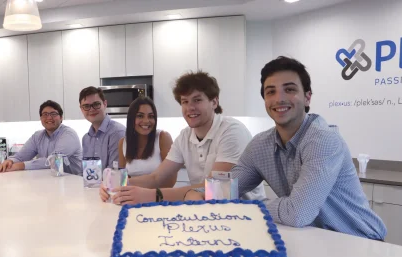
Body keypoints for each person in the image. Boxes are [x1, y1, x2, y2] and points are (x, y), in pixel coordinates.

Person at [187, 56, 386, 240]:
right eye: (270, 91)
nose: (279, 98)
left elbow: (297, 213)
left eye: (289, 89)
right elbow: (226, 188)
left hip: (359, 240)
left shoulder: (323, 140)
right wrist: (198, 193)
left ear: (307, 97)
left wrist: (239, 207)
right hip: (315, 239)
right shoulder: (260, 145)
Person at [103, 71, 264, 204]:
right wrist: (115, 183)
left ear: (214, 102)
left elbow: (214, 188)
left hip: (244, 212)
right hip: (205, 212)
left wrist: (152, 195)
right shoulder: (184, 137)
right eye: (184, 101)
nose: (190, 107)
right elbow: (156, 177)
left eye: (197, 100)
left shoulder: (231, 131)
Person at [0, 100, 82, 175]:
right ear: (41, 118)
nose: (49, 117)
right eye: (45, 114)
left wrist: (20, 165)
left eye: (53, 114)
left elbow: (54, 161)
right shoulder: (37, 136)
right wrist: (10, 161)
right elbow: (21, 157)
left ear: (61, 117)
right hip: (50, 180)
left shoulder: (69, 135)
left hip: (73, 181)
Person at [119, 96, 175, 181]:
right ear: (131, 119)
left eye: (151, 116)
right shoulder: (123, 143)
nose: (146, 121)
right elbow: (122, 179)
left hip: (159, 193)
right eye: (140, 116)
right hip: (131, 193)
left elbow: (170, 180)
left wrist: (143, 192)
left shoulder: (163, 138)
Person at [79, 86, 126, 169]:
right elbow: (86, 171)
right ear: (81, 109)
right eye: (86, 106)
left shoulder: (117, 133)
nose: (91, 109)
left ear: (105, 104)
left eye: (96, 104)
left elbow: (114, 172)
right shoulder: (86, 139)